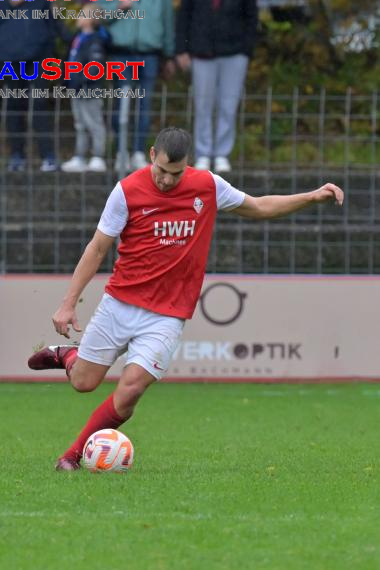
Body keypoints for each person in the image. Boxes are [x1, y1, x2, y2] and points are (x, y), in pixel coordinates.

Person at [28, 127, 344, 471]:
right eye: (161, 170)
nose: (165, 180)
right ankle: (70, 356)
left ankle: (71, 457)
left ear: (187, 165)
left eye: (174, 173)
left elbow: (259, 206)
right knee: (84, 383)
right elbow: (98, 247)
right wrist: (68, 302)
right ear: (152, 155)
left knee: (131, 390)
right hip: (119, 303)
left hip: (166, 316)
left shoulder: (208, 186)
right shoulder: (127, 191)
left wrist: (311, 197)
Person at [176, 0, 258, 173]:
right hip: (202, 51)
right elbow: (184, 16)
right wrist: (181, 49)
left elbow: (251, 18)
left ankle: (222, 154)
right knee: (203, 105)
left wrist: (246, 50)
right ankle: (203, 153)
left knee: (229, 104)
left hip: (235, 53)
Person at [98, 0, 176, 172]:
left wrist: (169, 55)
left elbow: (167, 23)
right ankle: (120, 152)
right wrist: (119, 7)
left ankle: (139, 152)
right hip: (120, 54)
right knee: (120, 104)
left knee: (144, 104)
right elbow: (98, 15)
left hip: (150, 55)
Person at [0, 0, 66, 172]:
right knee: (14, 106)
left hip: (39, 60)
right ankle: (16, 157)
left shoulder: (42, 4)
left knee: (39, 104)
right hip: (10, 61)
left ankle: (48, 156)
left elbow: (55, 27)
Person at [61, 5, 110, 174]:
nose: (78, 17)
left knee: (94, 123)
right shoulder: (78, 38)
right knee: (80, 123)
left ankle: (98, 156)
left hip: (89, 88)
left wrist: (81, 80)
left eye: (82, 14)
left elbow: (95, 67)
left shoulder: (95, 40)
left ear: (90, 19)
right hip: (76, 89)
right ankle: (80, 156)